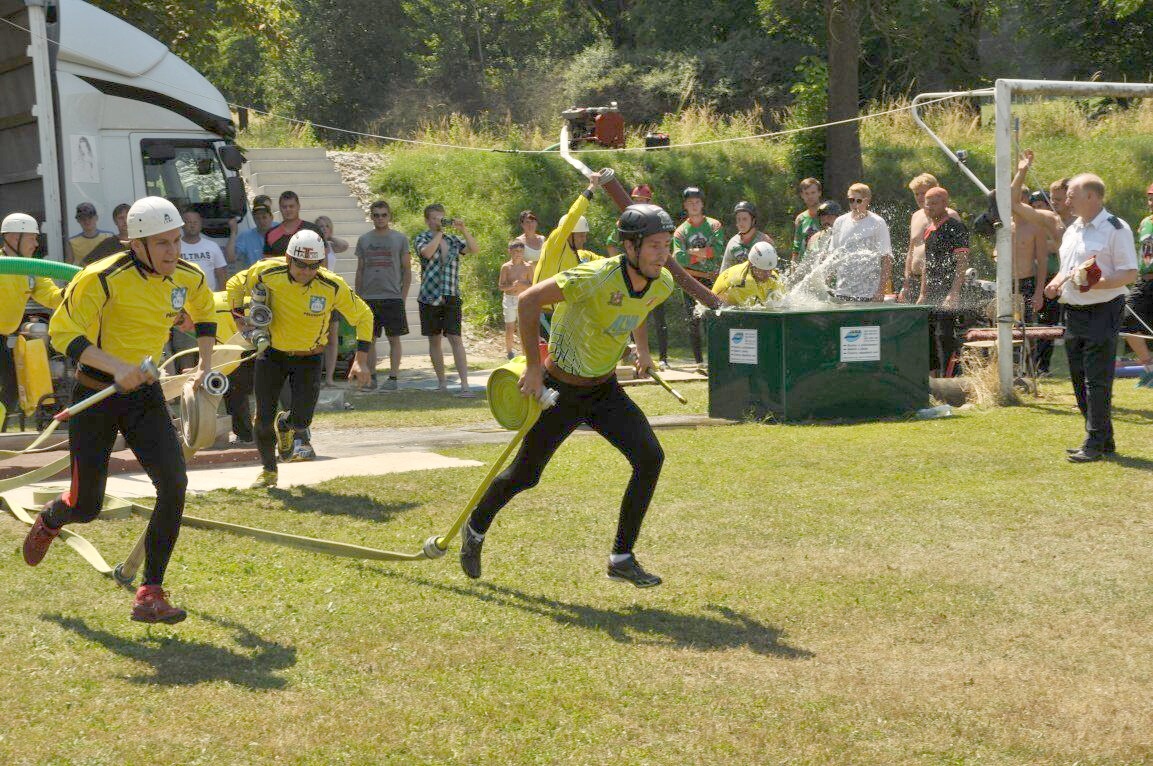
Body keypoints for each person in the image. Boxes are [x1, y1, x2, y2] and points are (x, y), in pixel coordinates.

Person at [460, 201, 676, 588]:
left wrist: (641, 350)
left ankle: (621, 558)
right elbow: (528, 301)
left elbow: (641, 305)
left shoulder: (662, 282)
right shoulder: (595, 276)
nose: (663, 254)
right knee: (525, 475)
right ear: (630, 246)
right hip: (560, 391)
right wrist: (533, 368)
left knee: (650, 458)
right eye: (655, 246)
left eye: (667, 245)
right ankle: (475, 528)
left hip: (604, 391)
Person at [24, 196, 217, 624]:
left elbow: (205, 313)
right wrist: (117, 368)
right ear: (137, 244)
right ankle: (54, 517)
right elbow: (62, 333)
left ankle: (150, 593)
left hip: (144, 397)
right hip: (94, 395)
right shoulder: (101, 278)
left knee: (174, 484)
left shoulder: (188, 276)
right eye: (162, 243)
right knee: (86, 506)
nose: (173, 251)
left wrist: (204, 364)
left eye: (176, 240)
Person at [228, 230, 373, 487]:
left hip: (309, 357)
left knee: (303, 420)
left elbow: (364, 316)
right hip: (272, 354)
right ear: (288, 259)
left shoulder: (332, 285)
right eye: (300, 264)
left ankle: (286, 425)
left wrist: (361, 360)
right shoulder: (267, 271)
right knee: (263, 417)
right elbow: (235, 285)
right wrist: (240, 319)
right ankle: (269, 471)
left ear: (321, 263)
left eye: (313, 265)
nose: (306, 271)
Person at [1043, 173, 1138, 462]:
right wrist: (1054, 284)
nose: (1066, 201)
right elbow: (1067, 269)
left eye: (1072, 196)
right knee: (1078, 377)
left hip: (1103, 309)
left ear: (1092, 197)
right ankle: (1103, 439)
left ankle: (1094, 442)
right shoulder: (1073, 229)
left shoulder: (1116, 228)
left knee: (1096, 379)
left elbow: (1129, 273)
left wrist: (1097, 284)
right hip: (1074, 311)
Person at [0, 213, 63, 420]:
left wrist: (73, 293)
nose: (36, 244)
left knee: (11, 388)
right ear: (12, 237)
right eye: (31, 238)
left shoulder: (31, 269)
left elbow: (51, 296)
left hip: (2, 338)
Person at [413, 204, 478, 396]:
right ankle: (442, 382)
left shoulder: (453, 240)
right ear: (427, 220)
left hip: (451, 293)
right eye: (434, 218)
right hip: (429, 294)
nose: (438, 221)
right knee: (434, 340)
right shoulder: (422, 238)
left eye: (441, 218)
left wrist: (463, 229)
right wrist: (439, 233)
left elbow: (474, 249)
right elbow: (427, 253)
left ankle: (464, 384)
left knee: (455, 338)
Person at [607, 184, 668, 369]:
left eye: (643, 200)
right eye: (637, 200)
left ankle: (663, 357)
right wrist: (619, 269)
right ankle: (628, 355)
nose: (640, 203)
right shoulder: (624, 222)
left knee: (658, 319)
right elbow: (611, 243)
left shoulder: (658, 222)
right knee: (623, 314)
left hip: (653, 275)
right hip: (628, 279)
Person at [354, 201, 411, 391]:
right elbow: (360, 270)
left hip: (392, 296)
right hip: (369, 297)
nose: (380, 218)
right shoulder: (364, 240)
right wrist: (358, 297)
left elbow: (407, 270)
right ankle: (371, 377)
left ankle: (393, 378)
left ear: (389, 216)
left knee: (394, 338)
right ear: (371, 216)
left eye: (384, 215)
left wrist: (403, 296)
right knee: (369, 339)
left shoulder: (400, 239)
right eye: (376, 215)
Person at [918, 187, 970, 376]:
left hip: (949, 290)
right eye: (927, 204)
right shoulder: (929, 229)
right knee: (928, 334)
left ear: (945, 204)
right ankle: (932, 379)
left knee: (944, 335)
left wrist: (953, 293)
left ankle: (948, 378)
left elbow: (962, 262)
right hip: (932, 291)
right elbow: (927, 264)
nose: (929, 207)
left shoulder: (956, 227)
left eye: (934, 203)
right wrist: (922, 293)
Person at [672, 186, 725, 368]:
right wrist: (703, 253)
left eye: (697, 202)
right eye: (690, 203)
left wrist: (691, 252)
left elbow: (718, 250)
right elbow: (679, 258)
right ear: (685, 205)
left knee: (713, 317)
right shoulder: (680, 231)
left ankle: (715, 358)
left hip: (711, 278)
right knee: (693, 320)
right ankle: (699, 361)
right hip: (690, 278)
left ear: (702, 204)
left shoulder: (714, 225)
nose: (694, 205)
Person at [899, 173, 960, 303]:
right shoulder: (916, 216)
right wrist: (906, 284)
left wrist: (954, 291)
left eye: (923, 193)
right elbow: (911, 251)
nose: (920, 197)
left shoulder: (950, 216)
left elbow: (961, 257)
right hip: (915, 280)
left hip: (938, 281)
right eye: (916, 194)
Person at [829, 183, 892, 302]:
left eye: (858, 201)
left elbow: (886, 258)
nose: (854, 204)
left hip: (868, 293)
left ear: (867, 201)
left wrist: (881, 290)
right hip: (842, 291)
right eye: (851, 200)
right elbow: (833, 256)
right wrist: (826, 282)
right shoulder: (840, 222)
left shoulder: (878, 222)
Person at [212, 290, 254, 445]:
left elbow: (229, 359)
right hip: (253, 328)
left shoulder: (211, 314)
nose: (182, 329)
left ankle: (246, 436)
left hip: (258, 333)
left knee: (232, 384)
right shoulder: (207, 303)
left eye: (181, 323)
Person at [1120, 182, 1153, 375]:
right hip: (1144, 280)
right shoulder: (1146, 222)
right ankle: (1149, 364)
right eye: (1150, 198)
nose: (1151, 202)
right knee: (1126, 317)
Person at [316, 215, 352, 387]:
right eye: (320, 226)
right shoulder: (313, 245)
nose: (323, 228)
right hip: (316, 293)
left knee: (332, 337)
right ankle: (315, 376)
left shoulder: (330, 245)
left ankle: (329, 377)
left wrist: (329, 237)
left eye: (326, 226)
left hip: (332, 293)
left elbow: (345, 245)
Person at [712, 241, 784, 306]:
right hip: (717, 310)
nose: (768, 274)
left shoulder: (773, 277)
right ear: (751, 264)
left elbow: (782, 302)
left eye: (770, 270)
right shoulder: (743, 282)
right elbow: (758, 312)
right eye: (764, 271)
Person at [498, 240, 533, 359]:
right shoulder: (506, 267)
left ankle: (524, 354)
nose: (518, 254)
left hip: (523, 299)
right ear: (510, 251)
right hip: (509, 299)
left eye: (521, 251)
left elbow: (532, 285)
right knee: (510, 327)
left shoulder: (528, 267)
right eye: (516, 251)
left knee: (523, 327)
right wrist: (512, 286)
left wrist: (522, 285)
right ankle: (509, 353)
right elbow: (501, 286)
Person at [179, 208, 230, 290]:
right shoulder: (175, 247)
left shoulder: (212, 246)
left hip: (209, 295)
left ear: (201, 224)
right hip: (183, 296)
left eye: (195, 222)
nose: (192, 225)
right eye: (189, 222)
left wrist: (223, 294)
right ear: (182, 225)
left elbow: (221, 274)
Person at [718, 200, 773, 272]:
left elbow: (772, 270)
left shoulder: (765, 241)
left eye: (745, 219)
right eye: (738, 219)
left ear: (753, 221)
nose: (741, 223)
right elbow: (724, 272)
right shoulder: (733, 243)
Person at [264, 191, 321, 257]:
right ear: (280, 208)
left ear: (298, 207)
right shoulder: (270, 234)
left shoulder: (313, 230)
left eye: (291, 206)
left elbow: (323, 258)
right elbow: (268, 261)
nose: (288, 209)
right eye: (284, 207)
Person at [235, 197, 275, 268]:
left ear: (271, 217)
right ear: (253, 219)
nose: (261, 221)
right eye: (257, 218)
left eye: (264, 217)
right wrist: (233, 232)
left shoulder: (281, 231)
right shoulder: (246, 236)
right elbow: (230, 258)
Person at [792, 178, 823, 264]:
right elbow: (796, 247)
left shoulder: (828, 215)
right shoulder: (800, 219)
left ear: (819, 193)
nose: (810, 197)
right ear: (802, 195)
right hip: (805, 265)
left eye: (813, 193)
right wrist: (793, 268)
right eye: (806, 193)